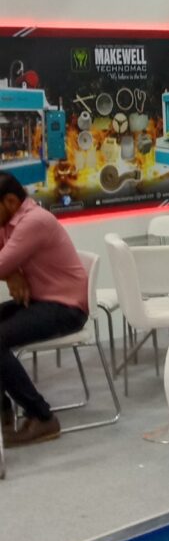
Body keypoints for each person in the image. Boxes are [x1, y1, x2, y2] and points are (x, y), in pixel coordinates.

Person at [0, 173, 89, 447]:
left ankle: (42, 416)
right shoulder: (7, 221)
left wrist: (7, 269)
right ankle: (3, 410)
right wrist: (12, 273)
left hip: (66, 307)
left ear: (10, 201)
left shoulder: (34, 221)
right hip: (40, 301)